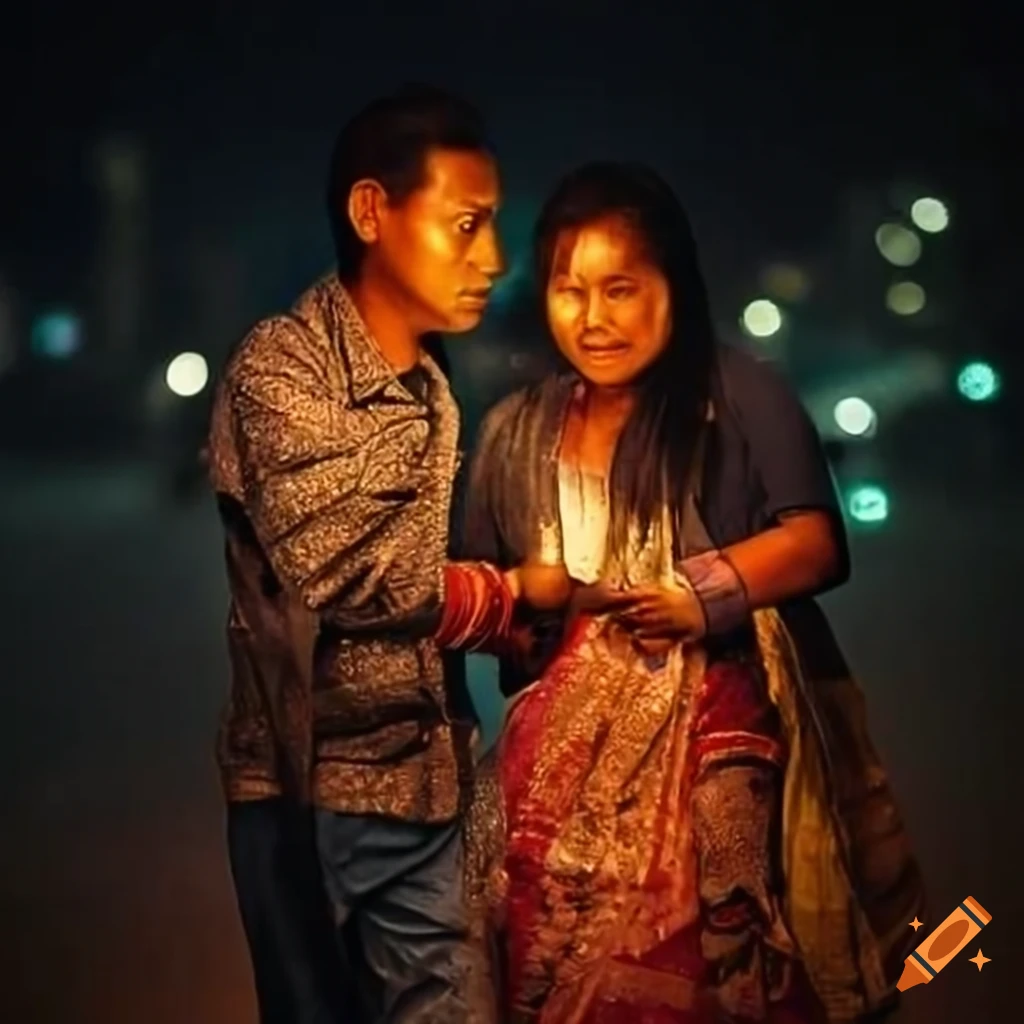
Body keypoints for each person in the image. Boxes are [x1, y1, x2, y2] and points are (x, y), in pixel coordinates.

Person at [456, 162, 927, 1022]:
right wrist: (534, 607)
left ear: (675, 284)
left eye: (620, 289)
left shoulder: (740, 395)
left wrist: (698, 598)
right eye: (569, 291)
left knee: (724, 928)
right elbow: (489, 603)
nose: (593, 319)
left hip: (719, 726)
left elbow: (817, 543)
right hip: (559, 749)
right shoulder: (515, 432)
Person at [206, 84, 508, 1023]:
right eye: (466, 225)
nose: (492, 258)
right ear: (372, 211)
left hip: (428, 789)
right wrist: (511, 597)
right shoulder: (282, 365)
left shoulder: (435, 380)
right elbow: (355, 575)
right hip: (311, 797)